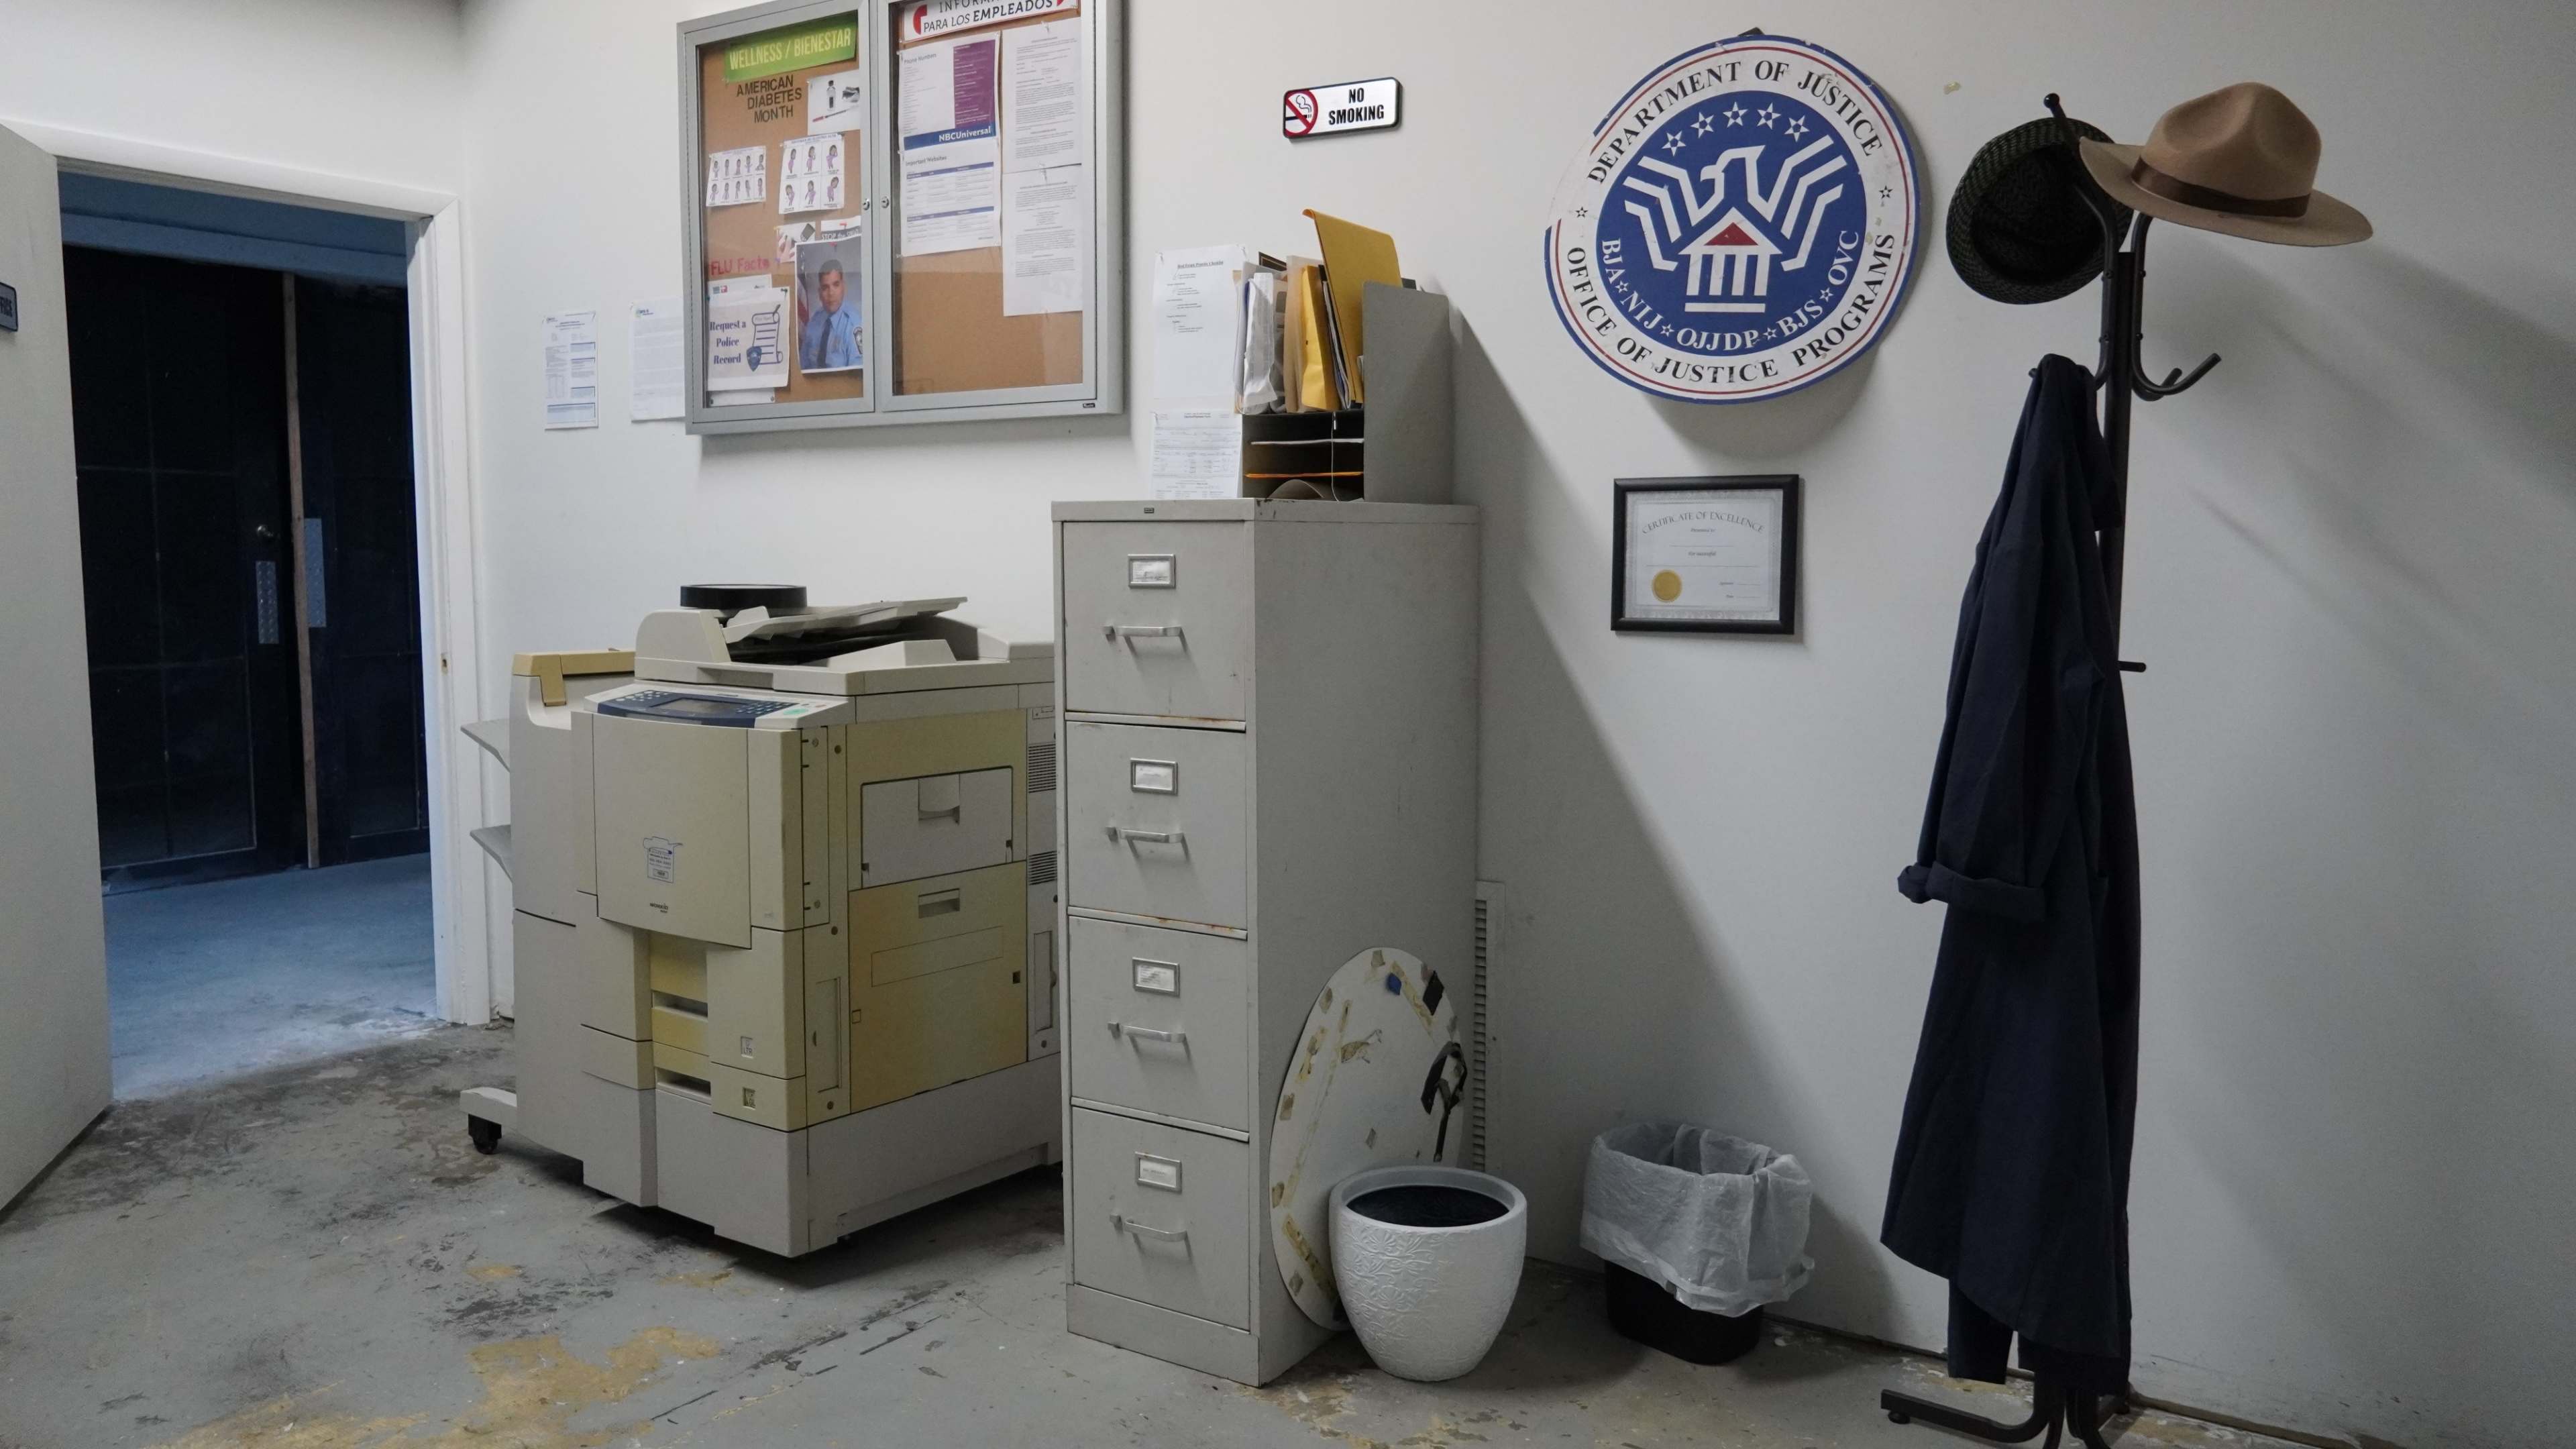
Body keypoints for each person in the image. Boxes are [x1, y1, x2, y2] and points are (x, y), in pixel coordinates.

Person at [800, 255, 861, 370]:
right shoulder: (814, 322)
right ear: (819, 293)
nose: (831, 293)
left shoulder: (854, 325)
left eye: (836, 285)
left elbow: (855, 377)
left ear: (844, 287)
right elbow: (803, 368)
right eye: (825, 288)